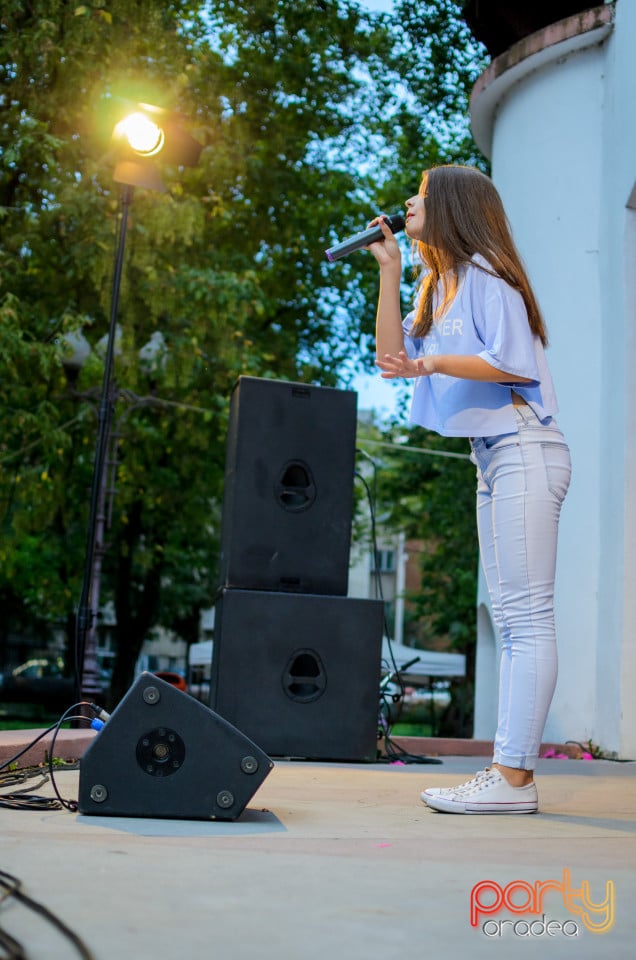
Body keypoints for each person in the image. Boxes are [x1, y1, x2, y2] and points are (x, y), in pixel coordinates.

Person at [368, 164, 571, 814]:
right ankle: (510, 776)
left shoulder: (487, 274)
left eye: (422, 196)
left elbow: (509, 361)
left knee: (525, 617)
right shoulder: (446, 282)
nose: (410, 201)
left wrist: (433, 361)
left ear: (452, 205)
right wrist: (390, 272)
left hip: (525, 446)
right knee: (511, 617)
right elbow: (391, 358)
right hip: (493, 458)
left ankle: (514, 779)